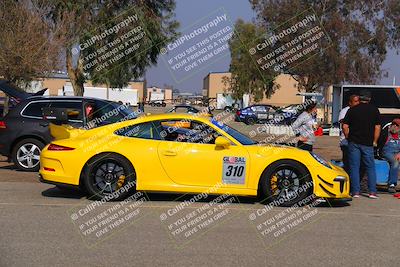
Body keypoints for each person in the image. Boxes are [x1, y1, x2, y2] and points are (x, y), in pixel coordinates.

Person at [342, 90, 381, 199]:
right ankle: (372, 192)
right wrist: (375, 141)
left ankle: (355, 192)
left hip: (353, 142)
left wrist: (347, 137)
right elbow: (377, 127)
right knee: (370, 167)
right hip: (368, 143)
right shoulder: (374, 110)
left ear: (359, 98)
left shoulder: (352, 110)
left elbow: (345, 126)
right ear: (369, 99)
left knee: (354, 167)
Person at [338, 95, 360, 173]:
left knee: (355, 163)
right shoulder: (345, 111)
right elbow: (343, 124)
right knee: (347, 163)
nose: (358, 103)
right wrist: (348, 137)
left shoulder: (359, 110)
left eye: (358, 101)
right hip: (346, 141)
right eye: (355, 101)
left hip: (356, 142)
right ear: (350, 102)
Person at [382, 118, 400, 193]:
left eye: (397, 125)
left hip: (398, 152)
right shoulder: (385, 133)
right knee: (395, 162)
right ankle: (392, 184)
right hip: (387, 152)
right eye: (393, 124)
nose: (394, 126)